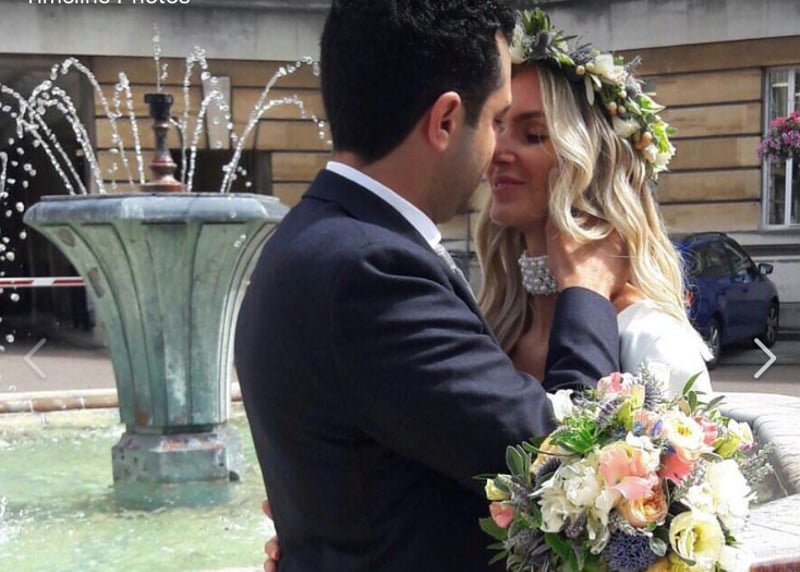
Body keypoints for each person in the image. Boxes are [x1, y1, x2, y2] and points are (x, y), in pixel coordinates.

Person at [234, 1, 628, 571]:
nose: (497, 152)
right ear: (445, 121)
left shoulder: (306, 238)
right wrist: (587, 292)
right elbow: (565, 461)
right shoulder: (373, 271)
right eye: (495, 120)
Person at [477, 8, 712, 396]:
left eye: (533, 135)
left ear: (595, 165)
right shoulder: (494, 327)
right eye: (496, 126)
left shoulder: (653, 341)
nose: (497, 151)